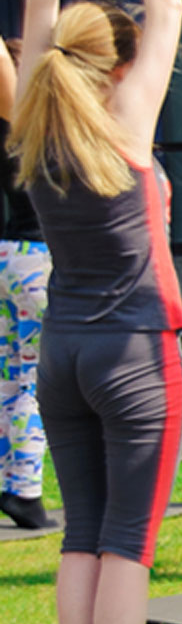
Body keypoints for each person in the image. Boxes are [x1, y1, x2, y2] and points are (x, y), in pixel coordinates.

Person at [19, 0, 182, 624]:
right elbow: (166, 2)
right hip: (135, 356)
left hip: (64, 355)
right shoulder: (124, 124)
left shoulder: (37, 121)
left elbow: (37, 8)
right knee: (127, 541)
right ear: (119, 65)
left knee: (82, 532)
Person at [0, 36, 51, 532]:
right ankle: (26, 491)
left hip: (9, 257)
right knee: (34, 381)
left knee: (11, 379)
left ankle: (11, 483)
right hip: (37, 260)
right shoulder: (26, 125)